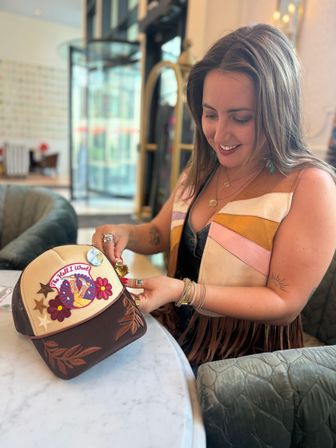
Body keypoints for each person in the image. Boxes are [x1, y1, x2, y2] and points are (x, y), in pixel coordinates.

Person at [92, 23, 336, 367]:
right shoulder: (205, 166)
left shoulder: (308, 185)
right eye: (210, 114)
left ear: (278, 113)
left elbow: (285, 303)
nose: (220, 134)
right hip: (176, 327)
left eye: (240, 118)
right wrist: (125, 233)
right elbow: (161, 233)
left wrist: (183, 291)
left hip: (242, 364)